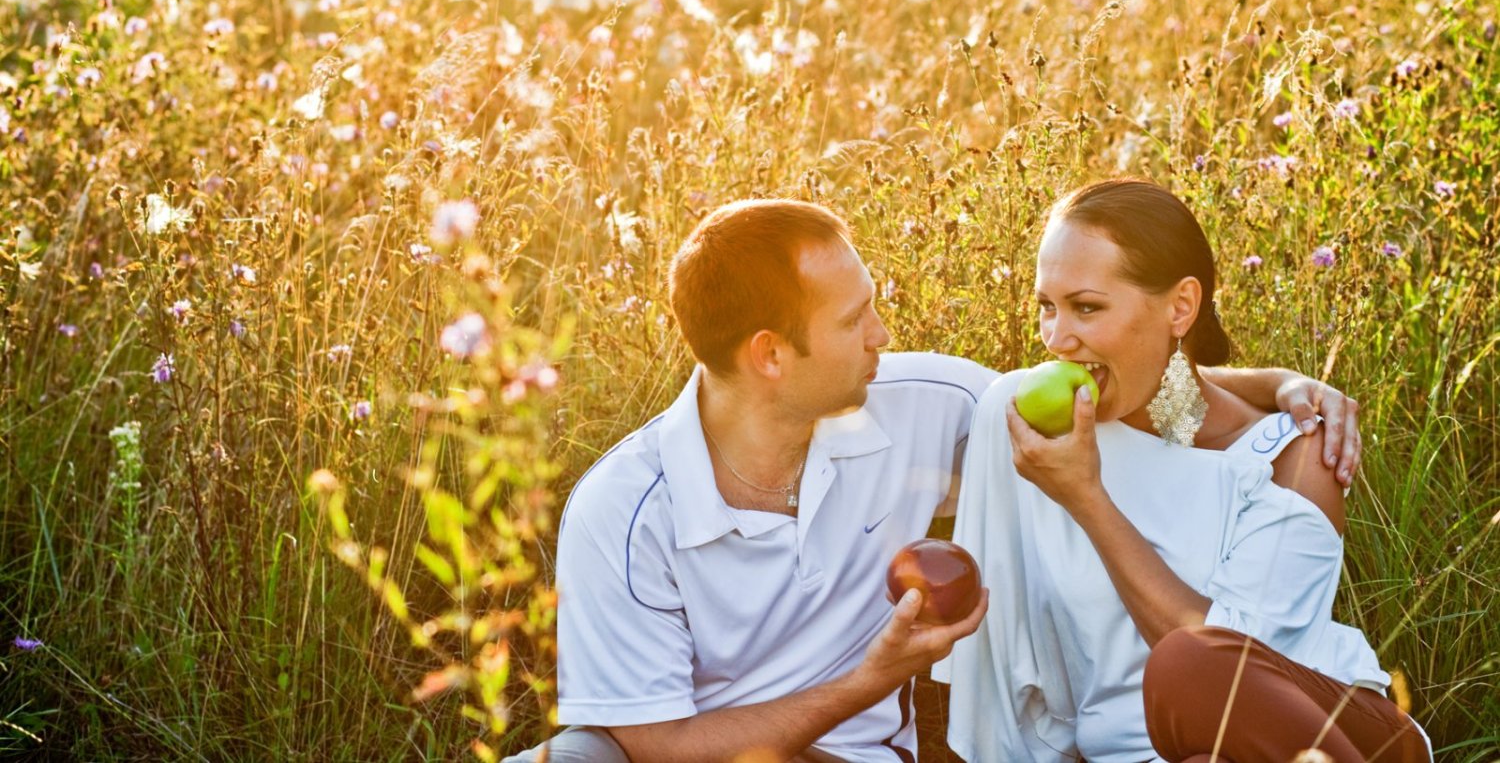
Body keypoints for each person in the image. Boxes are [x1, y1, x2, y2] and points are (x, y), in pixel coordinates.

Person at [506, 198, 1363, 763]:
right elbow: (651, 745)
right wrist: (868, 679)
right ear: (770, 354)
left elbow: (1126, 386)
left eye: (873, 304)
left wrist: (1289, 386)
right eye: (853, 320)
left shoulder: (927, 402)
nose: (885, 333)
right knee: (578, 756)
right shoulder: (623, 512)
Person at [940, 179, 1430, 762]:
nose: (1056, 339)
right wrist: (1271, 378)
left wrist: (1088, 499)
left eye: (1087, 307)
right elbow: (1003, 674)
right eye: (1047, 305)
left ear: (1180, 307)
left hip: (1324, 736)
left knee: (1188, 662)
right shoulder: (1028, 424)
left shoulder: (1294, 460)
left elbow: (1223, 677)